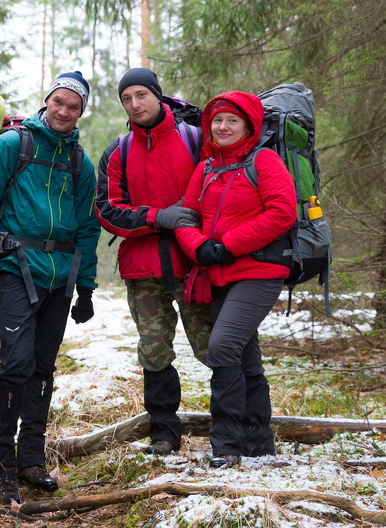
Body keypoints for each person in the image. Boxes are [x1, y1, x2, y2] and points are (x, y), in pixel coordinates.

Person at [0, 71, 100, 503]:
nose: (65, 112)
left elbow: (87, 226)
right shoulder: (13, 145)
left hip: (60, 276)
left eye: (74, 106)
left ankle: (31, 460)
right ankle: (0, 464)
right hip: (16, 268)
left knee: (43, 369)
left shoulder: (79, 162)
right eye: (60, 102)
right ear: (46, 101)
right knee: (16, 364)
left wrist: (85, 286)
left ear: (80, 112)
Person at [95, 68, 214, 457]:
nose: (135, 104)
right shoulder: (118, 151)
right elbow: (108, 210)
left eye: (141, 94)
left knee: (215, 348)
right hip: (143, 269)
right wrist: (156, 217)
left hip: (195, 262)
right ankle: (164, 434)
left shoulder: (194, 138)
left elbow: (220, 190)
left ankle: (234, 428)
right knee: (154, 351)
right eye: (127, 98)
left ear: (158, 96)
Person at [175, 91, 296, 469]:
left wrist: (227, 245)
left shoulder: (265, 160)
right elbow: (185, 217)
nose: (223, 127)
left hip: (259, 271)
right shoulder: (207, 167)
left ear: (248, 126)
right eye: (217, 121)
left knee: (222, 346)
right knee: (245, 356)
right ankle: (259, 442)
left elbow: (282, 212)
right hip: (219, 272)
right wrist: (199, 248)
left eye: (232, 121)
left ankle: (226, 444)